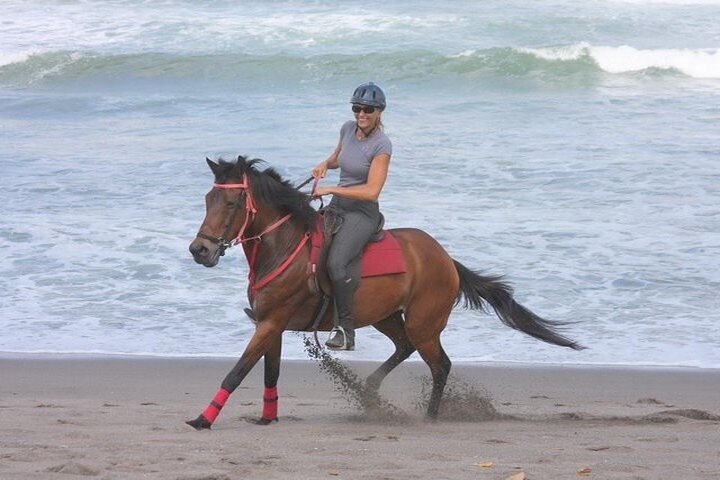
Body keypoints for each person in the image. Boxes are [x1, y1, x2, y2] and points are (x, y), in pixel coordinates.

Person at [311, 82, 393, 351]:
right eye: (357, 108)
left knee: (336, 264)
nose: (361, 114)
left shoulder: (381, 145)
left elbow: (371, 191)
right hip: (337, 206)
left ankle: (344, 331)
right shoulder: (347, 129)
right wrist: (324, 165)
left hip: (362, 212)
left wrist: (333, 187)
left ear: (379, 112)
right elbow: (338, 158)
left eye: (367, 109)